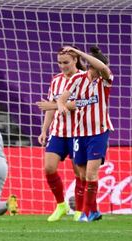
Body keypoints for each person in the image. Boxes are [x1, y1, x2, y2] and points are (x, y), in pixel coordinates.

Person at [57, 46, 113, 222]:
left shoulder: (104, 81)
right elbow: (62, 99)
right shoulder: (77, 79)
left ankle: (87, 214)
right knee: (81, 175)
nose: (102, 70)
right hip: (79, 133)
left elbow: (104, 68)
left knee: (91, 174)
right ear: (91, 68)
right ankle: (93, 211)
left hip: (99, 132)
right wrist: (61, 107)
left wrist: (77, 51)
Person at [36, 47, 87, 222]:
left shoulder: (85, 79)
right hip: (58, 132)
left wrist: (53, 105)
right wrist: (44, 130)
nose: (62, 66)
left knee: (80, 173)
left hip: (78, 132)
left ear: (75, 60)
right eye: (59, 63)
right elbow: (51, 108)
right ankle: (61, 205)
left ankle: (80, 210)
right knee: (49, 168)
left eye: (66, 62)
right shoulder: (56, 80)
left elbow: (81, 103)